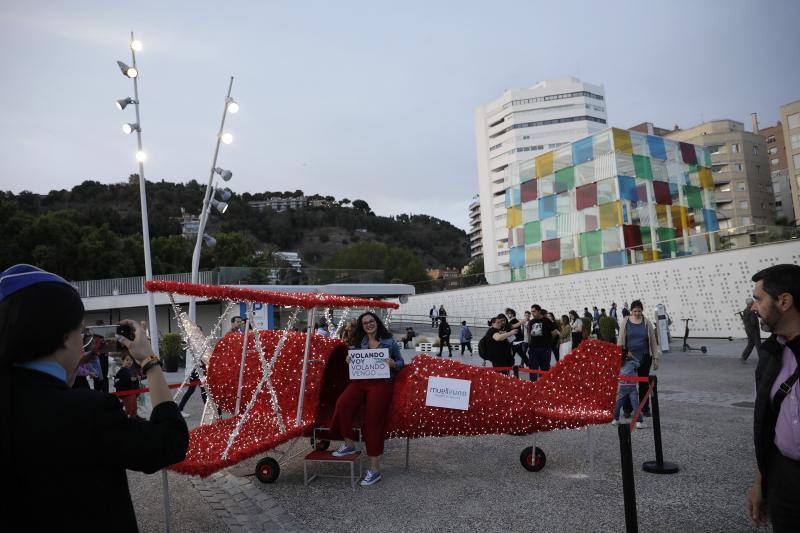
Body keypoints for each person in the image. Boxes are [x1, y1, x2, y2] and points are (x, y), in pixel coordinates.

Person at [0, 264, 189, 530]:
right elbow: (169, 442)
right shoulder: (87, 412)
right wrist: (148, 360)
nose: (84, 341)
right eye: (82, 331)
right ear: (64, 337)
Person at [745, 264, 800, 531]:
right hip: (784, 478)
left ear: (784, 301)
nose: (753, 307)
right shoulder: (770, 355)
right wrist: (762, 481)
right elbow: (768, 422)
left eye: (758, 298)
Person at [330, 312, 405, 486]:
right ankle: (349, 443)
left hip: (381, 384)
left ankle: (374, 470)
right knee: (342, 404)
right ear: (362, 327)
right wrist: (350, 360)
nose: (369, 324)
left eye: (371, 321)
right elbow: (354, 361)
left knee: (372, 423)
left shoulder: (390, 342)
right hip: (361, 382)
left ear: (377, 323)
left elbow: (401, 362)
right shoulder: (359, 343)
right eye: (365, 323)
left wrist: (394, 364)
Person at [617, 299, 660, 418]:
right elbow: (620, 340)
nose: (637, 313)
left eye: (639, 311)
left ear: (642, 311)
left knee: (643, 385)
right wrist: (620, 355)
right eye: (635, 311)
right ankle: (627, 409)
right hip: (628, 359)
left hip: (644, 358)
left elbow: (653, 342)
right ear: (631, 311)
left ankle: (645, 408)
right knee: (627, 384)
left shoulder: (647, 323)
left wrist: (656, 358)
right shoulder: (625, 322)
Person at [610, 350, 645, 428]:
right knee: (635, 404)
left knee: (618, 404)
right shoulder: (631, 363)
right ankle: (638, 421)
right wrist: (632, 357)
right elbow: (638, 364)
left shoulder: (617, 364)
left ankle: (615, 419)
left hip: (621, 386)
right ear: (626, 356)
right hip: (632, 387)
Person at [526, 305, 558, 381]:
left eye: (534, 311)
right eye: (532, 312)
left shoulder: (547, 321)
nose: (532, 313)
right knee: (533, 368)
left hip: (545, 349)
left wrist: (548, 340)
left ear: (539, 311)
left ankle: (545, 385)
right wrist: (529, 345)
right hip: (533, 349)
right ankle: (533, 385)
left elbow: (554, 332)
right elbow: (529, 334)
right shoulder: (531, 322)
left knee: (544, 368)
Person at [113, 351, 140, 418]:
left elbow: (133, 381)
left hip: (132, 393)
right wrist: (130, 380)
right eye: (127, 360)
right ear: (123, 361)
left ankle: (134, 420)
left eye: (131, 360)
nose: (129, 362)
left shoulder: (129, 370)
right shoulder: (121, 371)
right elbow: (117, 383)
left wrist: (136, 379)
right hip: (127, 394)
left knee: (134, 409)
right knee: (129, 411)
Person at [740, 297, 761, 363]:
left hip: (748, 329)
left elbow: (744, 320)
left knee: (751, 343)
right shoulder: (752, 311)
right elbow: (753, 322)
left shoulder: (745, 310)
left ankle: (744, 357)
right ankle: (763, 358)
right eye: (753, 303)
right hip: (754, 330)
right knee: (758, 344)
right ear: (751, 304)